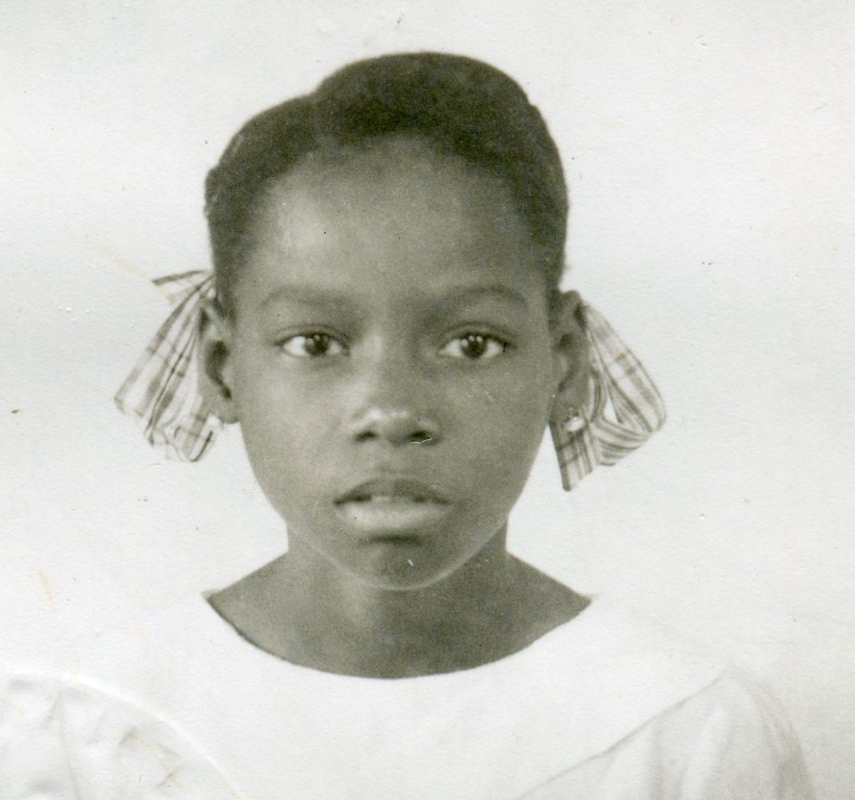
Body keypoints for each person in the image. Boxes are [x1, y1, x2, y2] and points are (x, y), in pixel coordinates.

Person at [112, 52, 815, 799]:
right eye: (314, 344)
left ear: (564, 361)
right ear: (221, 365)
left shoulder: (686, 731)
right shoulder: (97, 725)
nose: (391, 411)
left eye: (471, 344)